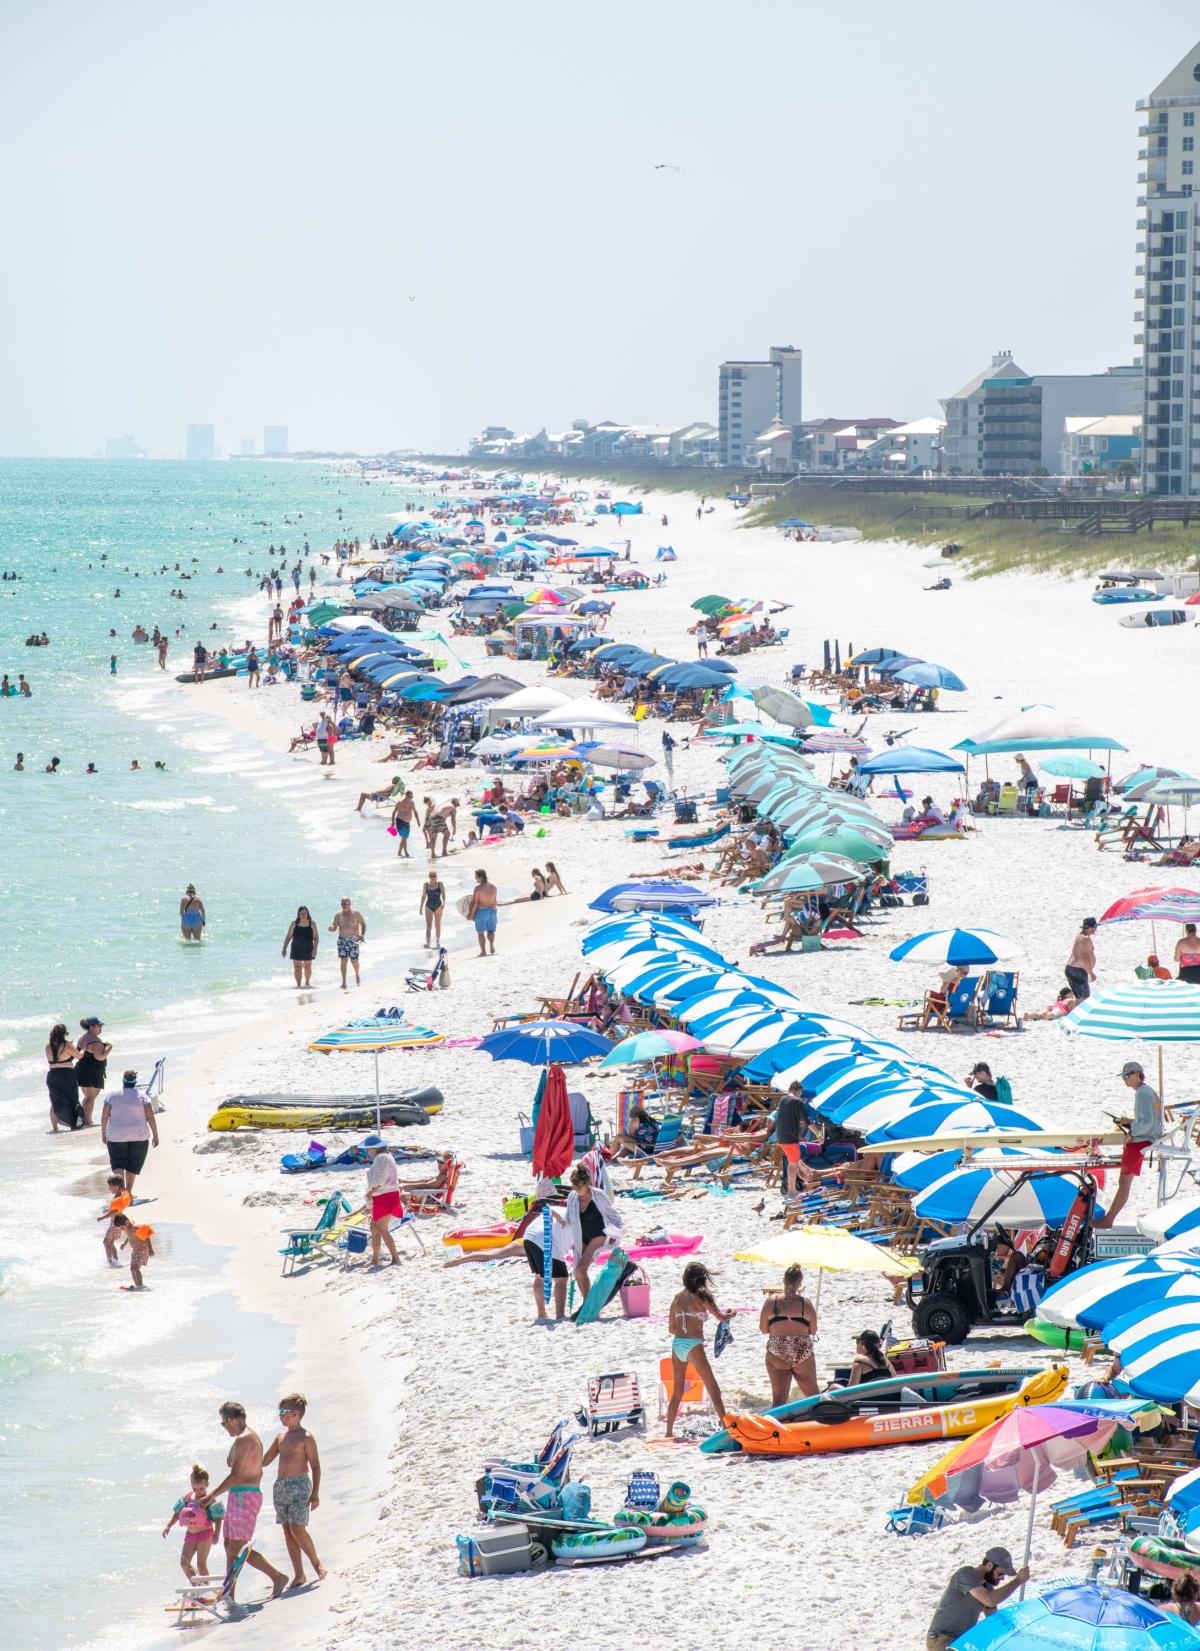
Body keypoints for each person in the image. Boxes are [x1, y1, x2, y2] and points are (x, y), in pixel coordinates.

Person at [202, 1401, 289, 1602]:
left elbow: (236, 1475)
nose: (224, 1427)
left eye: (224, 1423)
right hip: (238, 1494)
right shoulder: (243, 1439)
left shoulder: (244, 1439)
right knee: (228, 1545)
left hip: (245, 1495)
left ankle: (277, 1576)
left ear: (231, 1419)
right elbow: (238, 1465)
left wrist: (212, 1495)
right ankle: (228, 1594)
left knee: (238, 1548)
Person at [262, 1396, 326, 1589]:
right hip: (281, 1487)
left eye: (283, 1413)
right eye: (279, 1413)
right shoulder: (280, 1437)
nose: (280, 1417)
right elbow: (264, 1461)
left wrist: (315, 1493)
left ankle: (316, 1564)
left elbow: (315, 1466)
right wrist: (240, 1458)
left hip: (300, 1485)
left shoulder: (306, 1437)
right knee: (287, 1531)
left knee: (297, 1528)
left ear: (295, 1415)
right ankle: (299, 1574)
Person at [665, 1262, 733, 1437]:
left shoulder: (677, 1297)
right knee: (713, 1388)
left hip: (677, 1344)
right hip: (694, 1344)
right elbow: (721, 1317)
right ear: (702, 1278)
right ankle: (726, 1429)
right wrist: (733, 1313)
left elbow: (672, 1328)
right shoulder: (703, 1296)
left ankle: (668, 1432)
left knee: (677, 1392)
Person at [1097, 1061, 1164, 1227]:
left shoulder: (1142, 1093)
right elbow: (1149, 1120)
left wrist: (1131, 1133)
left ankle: (1108, 1220)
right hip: (1145, 1138)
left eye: (1127, 1076)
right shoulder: (1146, 1091)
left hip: (1140, 1141)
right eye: (1123, 1077)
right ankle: (1108, 1218)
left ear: (1136, 1074)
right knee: (1124, 1183)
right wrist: (1130, 1122)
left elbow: (1148, 1123)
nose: (1125, 1080)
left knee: (1124, 1183)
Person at [926, 1548, 1029, 1651]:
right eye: (1001, 1573)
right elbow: (989, 1600)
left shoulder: (987, 1588)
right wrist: (1018, 1581)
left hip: (962, 1641)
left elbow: (993, 1618)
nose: (1002, 1578)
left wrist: (1014, 1631)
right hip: (941, 1639)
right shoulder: (966, 1574)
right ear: (989, 1565)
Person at [759, 1264, 818, 1403]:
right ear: (800, 1283)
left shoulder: (770, 1302)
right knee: (814, 1397)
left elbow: (763, 1329)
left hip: (778, 1350)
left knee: (779, 1399)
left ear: (784, 1280)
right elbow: (813, 1331)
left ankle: (776, 1423)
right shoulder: (806, 1304)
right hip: (801, 1350)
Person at [565, 1164, 623, 1302]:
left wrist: (615, 1234)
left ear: (587, 1183)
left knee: (581, 1269)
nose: (577, 1190)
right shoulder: (572, 1197)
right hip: (581, 1236)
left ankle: (587, 1302)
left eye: (579, 1187)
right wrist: (556, 1217)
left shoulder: (598, 1195)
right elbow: (567, 1219)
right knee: (578, 1271)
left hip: (598, 1234)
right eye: (574, 1187)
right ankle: (588, 1300)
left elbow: (613, 1215)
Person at [100, 1069, 159, 1193]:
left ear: (123, 1081)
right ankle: (128, 1193)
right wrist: (155, 1135)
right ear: (135, 1082)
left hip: (116, 1137)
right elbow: (150, 1116)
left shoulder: (112, 1095)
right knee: (132, 1166)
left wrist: (104, 1132)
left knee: (118, 1165)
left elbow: (105, 1116)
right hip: (139, 1136)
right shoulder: (143, 1096)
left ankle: (119, 1192)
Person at [521, 1178, 570, 1321]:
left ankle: (541, 1314)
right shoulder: (565, 1209)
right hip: (544, 1238)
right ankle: (560, 1316)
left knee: (539, 1276)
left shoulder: (541, 1207)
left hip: (528, 1236)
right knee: (561, 1279)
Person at [163, 1465, 224, 1581]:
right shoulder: (188, 1497)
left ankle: (206, 1590)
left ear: (207, 1484)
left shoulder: (210, 1499)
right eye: (195, 1489)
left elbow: (218, 1517)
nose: (198, 1491)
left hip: (205, 1534)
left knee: (201, 1564)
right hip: (190, 1534)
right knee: (184, 1562)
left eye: (201, 1488)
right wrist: (168, 1525)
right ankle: (197, 1586)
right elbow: (177, 1512)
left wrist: (217, 1534)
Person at [363, 1138, 402, 1267]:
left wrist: (370, 1192)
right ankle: (375, 1259)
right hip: (388, 1195)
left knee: (382, 1229)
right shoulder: (388, 1155)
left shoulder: (380, 1158)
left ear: (375, 1148)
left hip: (384, 1196)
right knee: (374, 1229)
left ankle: (396, 1258)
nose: (367, 1151)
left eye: (368, 1148)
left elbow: (379, 1180)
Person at [45, 1022, 83, 1133]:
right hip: (66, 1075)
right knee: (72, 1099)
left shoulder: (48, 1045)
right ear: (64, 1034)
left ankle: (55, 1127)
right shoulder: (67, 1045)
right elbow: (79, 1056)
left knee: (55, 1101)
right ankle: (73, 1124)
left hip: (52, 1075)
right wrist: (83, 1049)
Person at [774, 1083, 809, 1198]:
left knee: (791, 1163)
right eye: (801, 1092)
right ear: (797, 1090)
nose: (801, 1095)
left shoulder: (783, 1099)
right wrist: (818, 1134)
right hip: (791, 1138)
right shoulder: (796, 1101)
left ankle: (791, 1189)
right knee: (793, 1165)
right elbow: (807, 1120)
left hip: (781, 1137)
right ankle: (791, 1190)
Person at [75, 1016, 111, 1126]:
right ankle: (87, 1121)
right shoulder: (95, 1041)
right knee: (90, 1098)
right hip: (92, 1072)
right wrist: (109, 1047)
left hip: (82, 1069)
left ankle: (87, 1120)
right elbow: (100, 1057)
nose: (100, 1028)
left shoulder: (82, 1038)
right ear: (91, 1027)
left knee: (87, 1097)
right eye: (98, 1026)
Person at [328, 897, 366, 988]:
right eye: (342, 904)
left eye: (345, 903)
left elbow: (363, 924)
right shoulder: (338, 915)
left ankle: (357, 974)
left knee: (354, 961)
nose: (344, 905)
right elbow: (334, 927)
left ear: (350, 904)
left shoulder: (356, 914)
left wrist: (362, 935)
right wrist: (331, 929)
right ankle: (344, 982)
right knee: (343, 960)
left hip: (354, 939)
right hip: (342, 940)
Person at [110, 1212, 154, 1288]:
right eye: (120, 1228)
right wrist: (124, 1243)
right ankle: (137, 1285)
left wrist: (150, 1249)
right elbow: (129, 1236)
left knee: (136, 1268)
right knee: (132, 1268)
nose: (121, 1229)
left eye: (121, 1227)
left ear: (126, 1222)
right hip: (135, 1250)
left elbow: (146, 1236)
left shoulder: (134, 1227)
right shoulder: (126, 1227)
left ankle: (140, 1285)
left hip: (143, 1249)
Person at [97, 1174, 132, 1264]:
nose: (109, 1188)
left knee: (106, 1242)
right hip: (118, 1224)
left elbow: (115, 1211)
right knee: (111, 1244)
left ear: (116, 1187)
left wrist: (102, 1217)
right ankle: (116, 1261)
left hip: (114, 1225)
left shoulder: (117, 1197)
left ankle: (110, 1263)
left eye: (110, 1186)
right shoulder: (120, 1195)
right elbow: (116, 1208)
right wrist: (108, 1209)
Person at [282, 906, 318, 987]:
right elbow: (288, 936)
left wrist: (315, 949)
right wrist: (284, 948)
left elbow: (316, 937)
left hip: (308, 948)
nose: (303, 915)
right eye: (301, 913)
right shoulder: (294, 923)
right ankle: (298, 985)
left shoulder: (312, 923)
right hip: (296, 948)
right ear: (298, 914)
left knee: (307, 967)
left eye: (305, 913)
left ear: (307, 913)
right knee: (297, 968)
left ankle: (307, 983)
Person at [1065, 916, 1098, 1002]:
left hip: (1070, 968)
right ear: (1090, 928)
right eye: (1095, 927)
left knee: (1079, 997)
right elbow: (1085, 958)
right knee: (1084, 998)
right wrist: (1091, 973)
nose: (1096, 929)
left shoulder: (1079, 936)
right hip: (1077, 970)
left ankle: (1074, 1013)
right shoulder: (1085, 939)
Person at [467, 868, 498, 957]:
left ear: (481, 877)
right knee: (491, 930)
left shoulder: (478, 889)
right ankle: (491, 945)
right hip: (492, 911)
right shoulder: (494, 887)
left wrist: (471, 915)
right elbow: (494, 901)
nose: (475, 879)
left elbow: (474, 903)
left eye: (476, 877)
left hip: (482, 912)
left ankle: (483, 951)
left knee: (480, 932)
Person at [419, 871, 445, 947]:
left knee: (437, 925)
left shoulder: (440, 884)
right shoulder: (426, 885)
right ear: (429, 877)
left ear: (436, 877)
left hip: (438, 906)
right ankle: (428, 943)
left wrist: (444, 903)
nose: (433, 878)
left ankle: (437, 942)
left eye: (434, 877)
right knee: (428, 925)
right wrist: (420, 907)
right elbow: (423, 896)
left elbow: (443, 894)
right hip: (428, 906)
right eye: (431, 877)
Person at [391, 791, 417, 858]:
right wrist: (392, 822)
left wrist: (418, 820)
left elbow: (415, 811)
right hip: (400, 821)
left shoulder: (412, 803)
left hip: (407, 823)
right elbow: (394, 812)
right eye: (409, 797)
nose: (411, 798)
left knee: (404, 838)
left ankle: (399, 852)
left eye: (412, 797)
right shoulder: (400, 803)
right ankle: (406, 852)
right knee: (404, 837)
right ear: (406, 796)